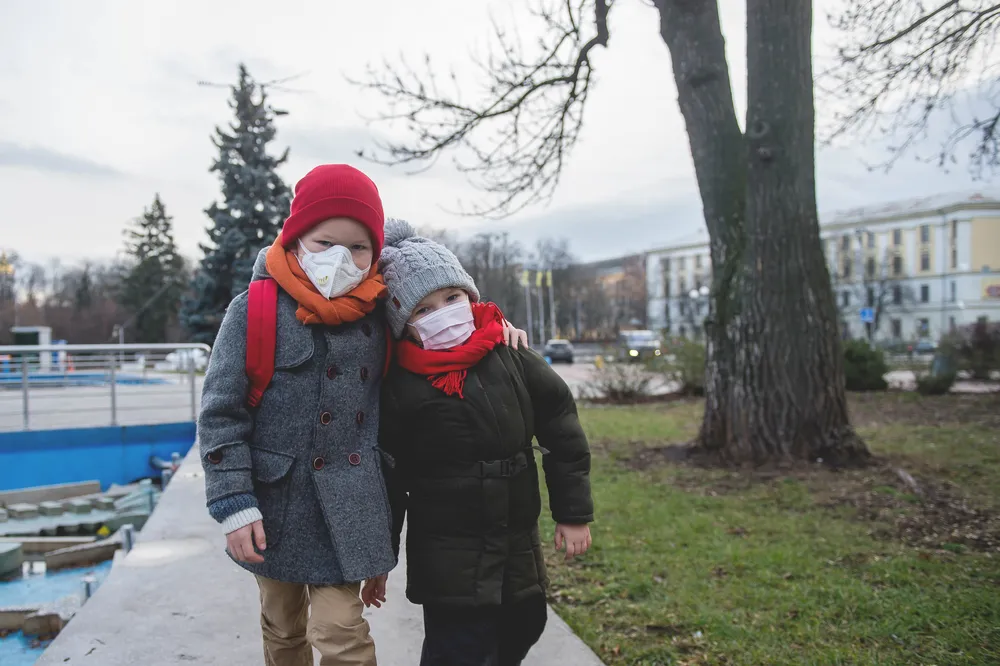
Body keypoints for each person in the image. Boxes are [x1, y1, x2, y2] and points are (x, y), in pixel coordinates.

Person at [198, 165, 526, 666]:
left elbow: (437, 315)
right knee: (284, 630)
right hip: (273, 511)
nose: (341, 259)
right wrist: (234, 503)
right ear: (295, 239)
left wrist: (496, 329)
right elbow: (222, 415)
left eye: (358, 247)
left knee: (342, 633)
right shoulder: (254, 309)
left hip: (348, 514)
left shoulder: (380, 314)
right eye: (325, 242)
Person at [373, 219, 595, 666]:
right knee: (459, 650)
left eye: (452, 298)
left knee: (526, 621)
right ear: (402, 322)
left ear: (470, 297)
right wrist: (381, 555)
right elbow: (389, 477)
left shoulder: (508, 351)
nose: (443, 313)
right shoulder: (397, 385)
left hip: (514, 537)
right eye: (423, 309)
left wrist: (572, 513)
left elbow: (561, 427)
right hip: (447, 551)